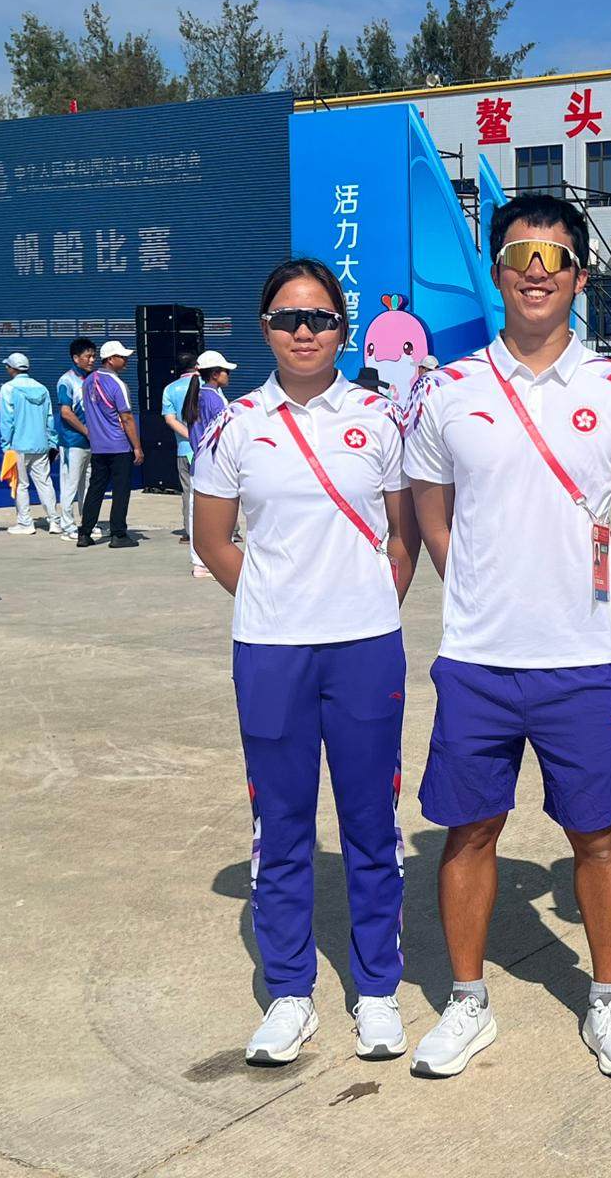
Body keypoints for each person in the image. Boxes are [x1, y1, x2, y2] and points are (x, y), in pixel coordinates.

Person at [403, 193, 611, 1079]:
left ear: (580, 277)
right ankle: (468, 1002)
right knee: (470, 832)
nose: (535, 274)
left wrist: (587, 587)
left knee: (596, 835)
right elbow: (430, 509)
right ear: (497, 270)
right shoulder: (448, 388)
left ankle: (607, 999)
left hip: (581, 661)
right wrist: (474, 582)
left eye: (554, 259)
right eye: (519, 256)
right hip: (478, 659)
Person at [193, 258, 417, 1067]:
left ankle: (379, 991)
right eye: (288, 318)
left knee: (370, 824)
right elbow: (213, 540)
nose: (304, 332)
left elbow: (404, 537)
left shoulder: (382, 418)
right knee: (281, 828)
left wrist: (364, 601)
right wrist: (276, 600)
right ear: (265, 328)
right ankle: (289, 994)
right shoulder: (232, 424)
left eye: (320, 318)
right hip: (271, 653)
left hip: (363, 649)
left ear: (343, 330)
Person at [76, 340, 143, 548]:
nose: (126, 361)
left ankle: (85, 533)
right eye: (122, 357)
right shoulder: (117, 384)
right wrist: (137, 447)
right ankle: (118, 534)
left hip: (98, 446)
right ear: (111, 359)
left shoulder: (88, 381)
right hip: (119, 445)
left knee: (95, 488)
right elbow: (127, 418)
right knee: (121, 490)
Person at [181, 349, 235, 577]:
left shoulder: (199, 395)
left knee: (198, 515)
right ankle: (209, 562)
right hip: (215, 462)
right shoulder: (213, 398)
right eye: (224, 371)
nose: (228, 375)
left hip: (200, 460)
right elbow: (227, 431)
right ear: (214, 374)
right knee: (217, 517)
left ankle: (200, 561)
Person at [0, 353, 63, 536]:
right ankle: (54, 521)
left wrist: (6, 444)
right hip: (41, 444)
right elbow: (49, 418)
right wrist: (52, 442)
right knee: (45, 482)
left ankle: (25, 522)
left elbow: (7, 420)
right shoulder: (42, 388)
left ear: (12, 368)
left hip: (18, 445)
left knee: (20, 484)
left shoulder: (8, 389)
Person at [55, 338, 95, 539]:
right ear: (76, 358)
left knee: (87, 483)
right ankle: (67, 524)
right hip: (73, 441)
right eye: (87, 356)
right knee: (70, 483)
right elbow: (66, 412)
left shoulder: (93, 379)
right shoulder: (66, 380)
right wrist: (86, 431)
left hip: (91, 442)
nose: (91, 360)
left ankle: (86, 522)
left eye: (93, 356)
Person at [161, 352, 200, 541]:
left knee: (188, 492)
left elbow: (170, 420)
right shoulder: (207, 386)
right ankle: (230, 530)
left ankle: (189, 531)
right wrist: (199, 437)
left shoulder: (170, 389)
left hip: (184, 450)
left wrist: (189, 436)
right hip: (206, 448)